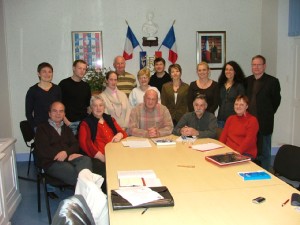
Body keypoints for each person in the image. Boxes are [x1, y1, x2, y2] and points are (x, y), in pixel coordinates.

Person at [35, 101, 92, 186]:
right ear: (49, 113)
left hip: (67, 158)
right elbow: (44, 150)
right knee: (74, 173)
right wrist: (66, 155)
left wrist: (66, 153)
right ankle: (89, 190)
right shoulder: (42, 129)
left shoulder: (66, 128)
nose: (58, 114)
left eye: (61, 111)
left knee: (86, 160)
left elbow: (75, 144)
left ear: (64, 114)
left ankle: (86, 189)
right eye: (55, 111)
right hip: (51, 162)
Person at [246, 55, 281, 170]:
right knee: (250, 150)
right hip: (249, 122)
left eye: (258, 65)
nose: (256, 67)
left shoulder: (272, 81)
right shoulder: (247, 81)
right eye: (253, 65)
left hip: (264, 122)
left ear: (264, 66)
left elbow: (276, 102)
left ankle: (266, 173)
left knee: (265, 152)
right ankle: (251, 170)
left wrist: (267, 113)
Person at [79, 95, 127, 162]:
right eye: (95, 106)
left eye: (101, 105)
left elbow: (123, 133)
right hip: (100, 158)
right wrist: (102, 157)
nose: (98, 108)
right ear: (91, 108)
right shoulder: (85, 123)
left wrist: (119, 135)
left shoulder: (110, 119)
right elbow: (85, 144)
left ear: (104, 107)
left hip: (116, 152)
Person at [26, 62, 61, 131]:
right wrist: (34, 127)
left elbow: (60, 108)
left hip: (56, 126)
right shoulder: (32, 90)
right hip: (40, 127)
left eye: (50, 72)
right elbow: (28, 113)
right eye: (44, 72)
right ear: (39, 73)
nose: (47, 74)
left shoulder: (57, 89)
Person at [59, 60, 91, 135]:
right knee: (70, 146)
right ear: (74, 68)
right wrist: (67, 122)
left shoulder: (86, 86)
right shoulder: (63, 84)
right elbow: (59, 105)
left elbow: (88, 107)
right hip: (69, 123)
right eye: (80, 68)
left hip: (83, 123)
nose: (82, 71)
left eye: (84, 69)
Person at [217, 61, 246, 128]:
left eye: (231, 69)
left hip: (234, 119)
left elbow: (242, 103)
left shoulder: (239, 86)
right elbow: (219, 102)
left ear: (235, 71)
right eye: (226, 69)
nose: (228, 71)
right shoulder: (221, 84)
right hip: (221, 119)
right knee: (221, 138)